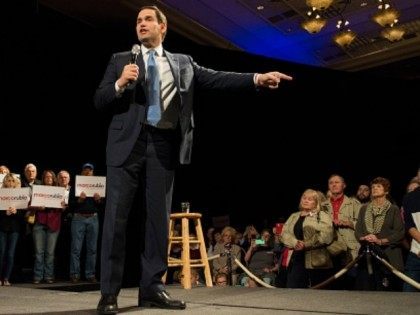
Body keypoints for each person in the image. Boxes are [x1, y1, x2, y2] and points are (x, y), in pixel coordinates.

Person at [94, 5, 292, 314]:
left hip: (163, 145)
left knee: (159, 221)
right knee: (115, 222)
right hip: (126, 145)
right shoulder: (122, 59)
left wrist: (255, 78)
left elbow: (216, 79)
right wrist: (120, 83)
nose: (141, 24)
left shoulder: (183, 62)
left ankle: (152, 289)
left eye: (148, 19)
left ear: (163, 27)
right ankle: (108, 293)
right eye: (138, 20)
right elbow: (100, 98)